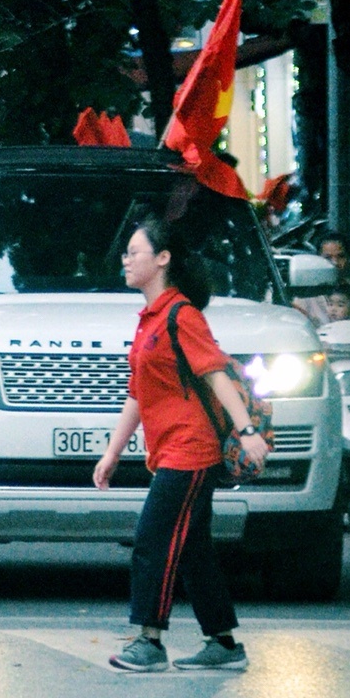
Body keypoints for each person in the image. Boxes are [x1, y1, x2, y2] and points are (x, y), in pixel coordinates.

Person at [95, 217, 262, 672]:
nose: (125, 260)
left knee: (153, 539)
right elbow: (139, 391)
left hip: (191, 451)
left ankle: (149, 641)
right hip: (168, 450)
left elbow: (216, 373)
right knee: (192, 548)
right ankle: (224, 646)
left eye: (134, 251)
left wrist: (247, 433)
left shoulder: (182, 315)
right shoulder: (151, 319)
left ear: (163, 258)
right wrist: (113, 452)